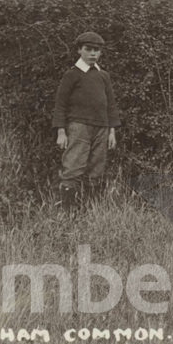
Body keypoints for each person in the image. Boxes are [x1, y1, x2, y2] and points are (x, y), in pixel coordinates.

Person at [51, 31, 120, 210]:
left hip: (102, 128)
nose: (92, 54)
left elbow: (111, 104)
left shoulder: (103, 75)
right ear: (79, 50)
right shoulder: (72, 75)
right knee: (73, 166)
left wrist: (112, 131)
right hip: (78, 127)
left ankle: (90, 209)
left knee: (97, 168)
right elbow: (60, 104)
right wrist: (61, 131)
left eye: (96, 50)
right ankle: (68, 211)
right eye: (88, 49)